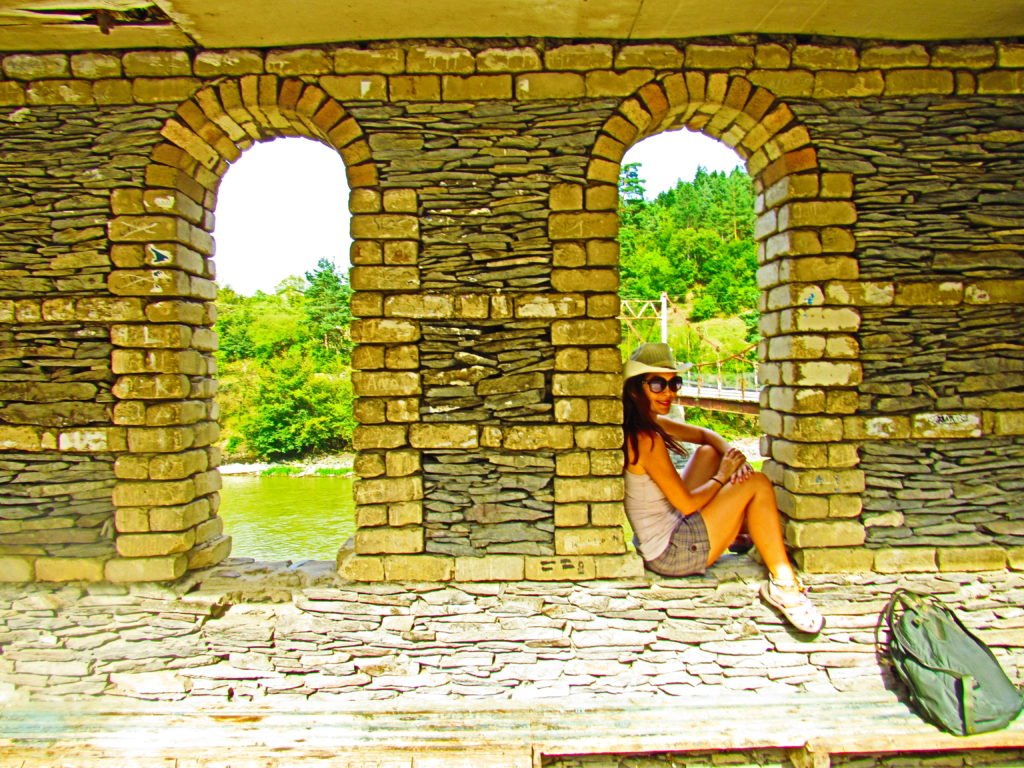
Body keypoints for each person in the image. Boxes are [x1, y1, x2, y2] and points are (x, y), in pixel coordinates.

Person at [622, 342, 824, 634]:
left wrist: (731, 457)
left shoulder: (648, 424)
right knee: (756, 483)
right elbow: (688, 504)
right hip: (673, 554)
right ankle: (784, 585)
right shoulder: (646, 439)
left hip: (659, 539)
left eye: (673, 383)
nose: (669, 392)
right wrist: (724, 475)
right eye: (657, 384)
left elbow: (706, 435)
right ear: (635, 390)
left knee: (708, 453)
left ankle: (740, 527)